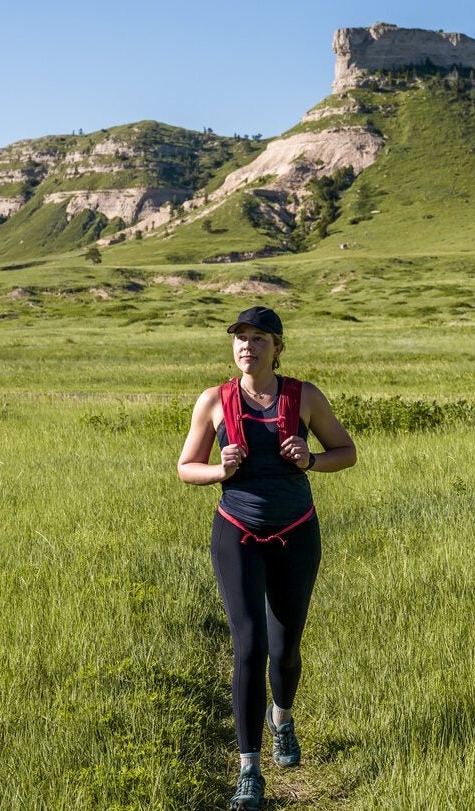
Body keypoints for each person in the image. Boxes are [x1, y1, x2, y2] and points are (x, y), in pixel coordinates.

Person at [177, 306, 357, 811]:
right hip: (236, 532)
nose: (247, 347)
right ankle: (249, 769)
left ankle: (282, 717)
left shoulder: (305, 397)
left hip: (297, 532)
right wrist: (219, 471)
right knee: (250, 644)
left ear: (278, 347)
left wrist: (312, 459)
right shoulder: (215, 400)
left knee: (284, 649)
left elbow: (347, 451)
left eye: (259, 339)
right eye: (240, 339)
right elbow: (185, 466)